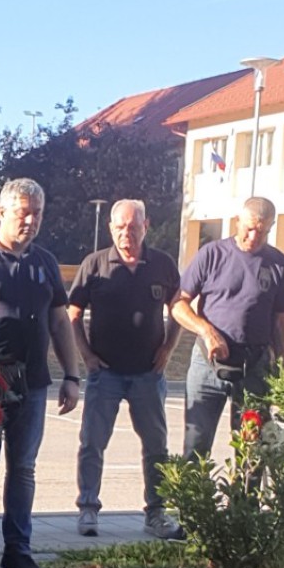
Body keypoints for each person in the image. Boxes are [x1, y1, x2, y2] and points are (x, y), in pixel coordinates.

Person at [0, 177, 83, 568]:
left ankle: (18, 553)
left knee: (23, 469)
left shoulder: (45, 262)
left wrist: (72, 375)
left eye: (37, 213)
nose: (31, 220)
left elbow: (59, 322)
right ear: (2, 213)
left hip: (33, 383)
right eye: (23, 212)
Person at [68, 198, 181, 540]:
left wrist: (168, 349)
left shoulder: (162, 264)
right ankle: (88, 508)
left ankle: (156, 513)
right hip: (105, 373)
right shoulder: (95, 264)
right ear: (110, 228)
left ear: (146, 227)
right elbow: (73, 314)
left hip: (148, 373)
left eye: (132, 227)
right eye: (119, 227)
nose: (125, 234)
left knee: (156, 446)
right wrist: (86, 356)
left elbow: (179, 308)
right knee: (92, 442)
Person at [171, 196, 284, 460]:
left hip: (254, 367)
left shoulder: (279, 265)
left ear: (270, 227)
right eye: (249, 229)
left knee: (252, 452)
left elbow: (281, 320)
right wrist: (207, 331)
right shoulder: (212, 254)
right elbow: (178, 305)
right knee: (196, 446)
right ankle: (194, 490)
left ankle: (246, 489)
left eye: (262, 232)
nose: (253, 237)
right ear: (237, 222)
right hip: (207, 364)